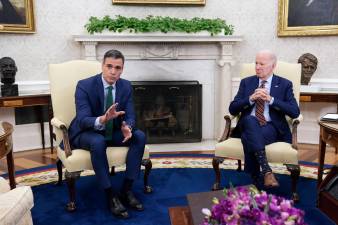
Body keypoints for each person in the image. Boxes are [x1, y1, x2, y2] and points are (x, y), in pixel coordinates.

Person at [68, 49, 146, 219]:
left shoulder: (125, 85)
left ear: (122, 69)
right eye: (109, 66)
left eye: (118, 68)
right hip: (86, 132)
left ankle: (126, 190)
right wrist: (103, 119)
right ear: (102, 66)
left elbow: (131, 114)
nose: (113, 71)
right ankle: (110, 195)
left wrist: (127, 126)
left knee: (139, 136)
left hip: (114, 131)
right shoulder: (84, 85)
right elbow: (82, 119)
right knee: (97, 141)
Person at [229, 50, 300, 188]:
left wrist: (271, 100)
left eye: (262, 64)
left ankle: (255, 179)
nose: (257, 67)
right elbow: (232, 108)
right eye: (256, 63)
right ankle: (267, 171)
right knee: (250, 120)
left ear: (273, 66)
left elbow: (294, 112)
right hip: (247, 123)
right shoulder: (247, 82)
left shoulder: (285, 84)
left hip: (271, 127)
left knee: (248, 137)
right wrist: (250, 99)